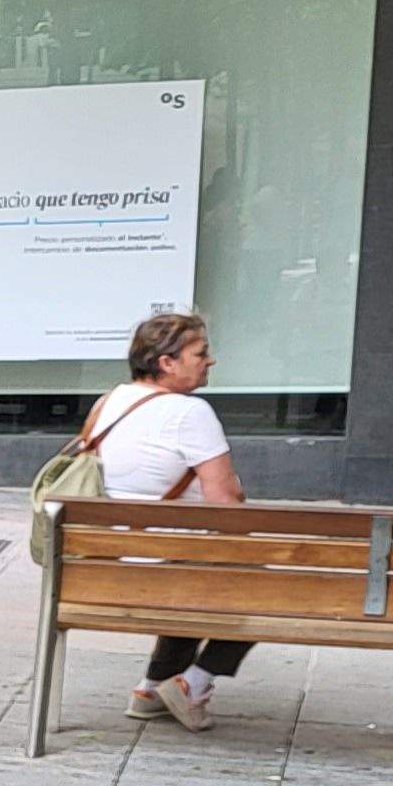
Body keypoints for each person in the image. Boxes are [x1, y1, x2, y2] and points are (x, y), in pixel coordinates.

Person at [84, 311, 250, 732]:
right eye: (201, 353)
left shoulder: (108, 403)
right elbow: (224, 504)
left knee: (196, 565)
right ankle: (194, 683)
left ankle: (151, 689)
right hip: (167, 567)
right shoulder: (190, 413)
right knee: (268, 585)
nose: (210, 361)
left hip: (106, 569)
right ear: (166, 362)